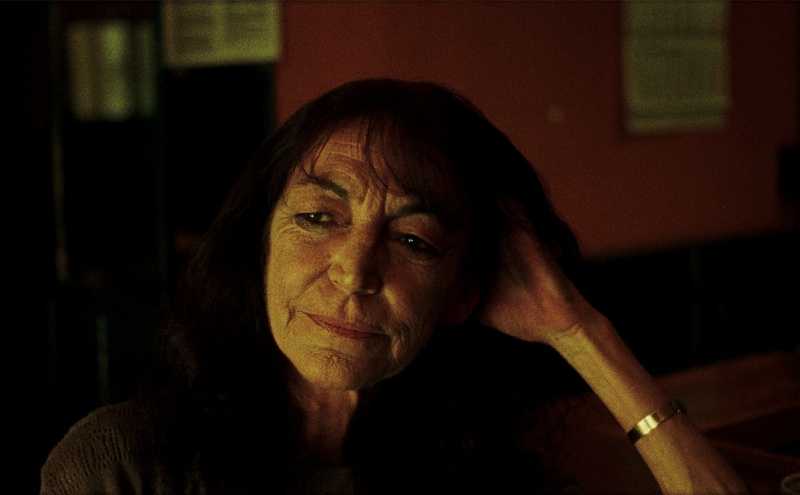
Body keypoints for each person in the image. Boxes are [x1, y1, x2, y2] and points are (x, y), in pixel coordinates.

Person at [40, 79, 748, 495]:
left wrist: (581, 331)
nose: (354, 270)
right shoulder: (125, 465)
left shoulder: (490, 479)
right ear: (260, 244)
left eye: (413, 240)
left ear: (461, 294)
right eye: (318, 217)